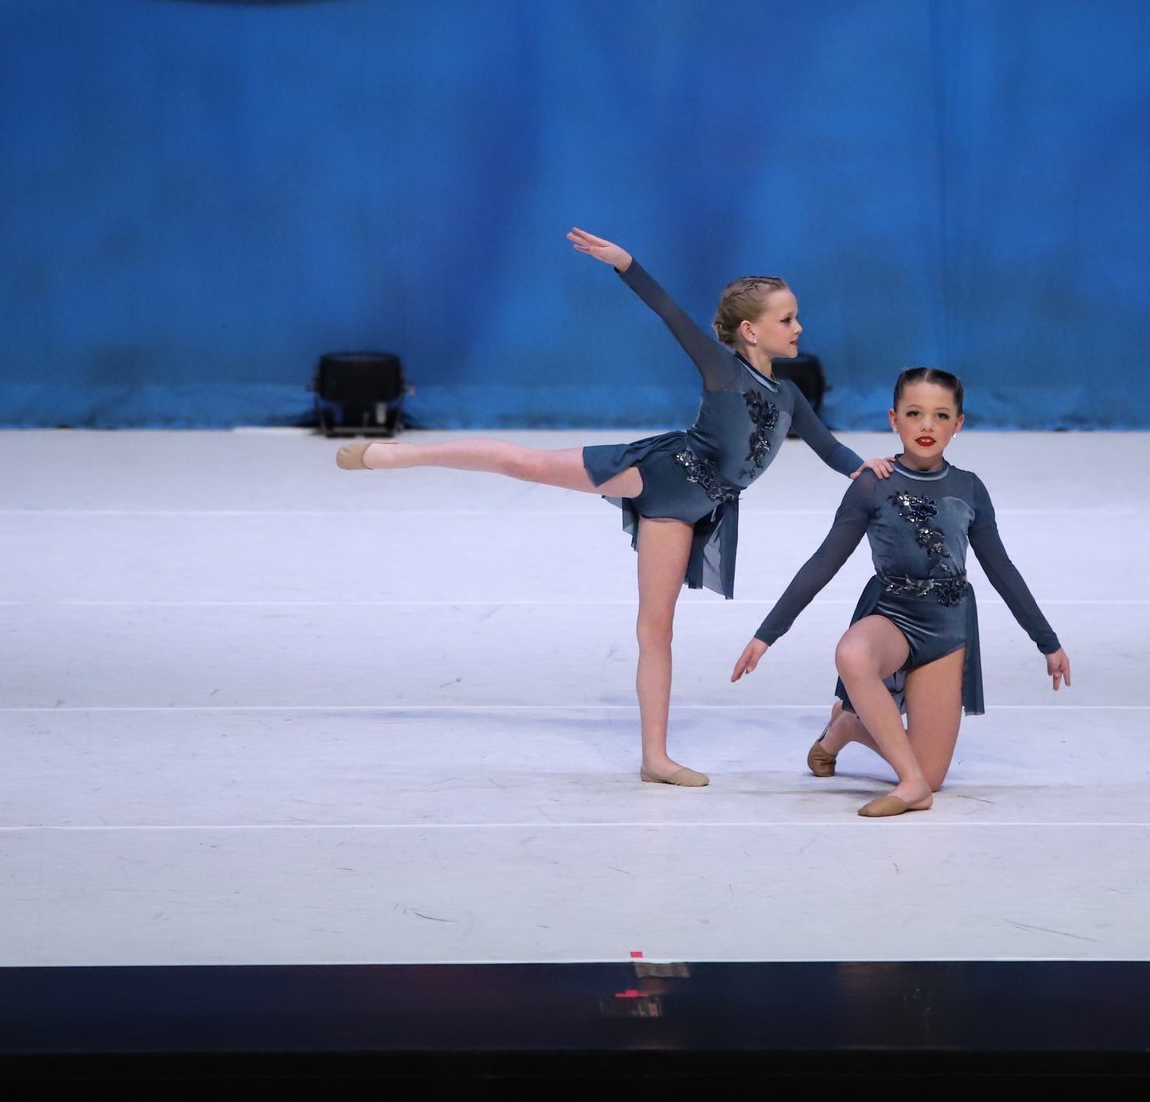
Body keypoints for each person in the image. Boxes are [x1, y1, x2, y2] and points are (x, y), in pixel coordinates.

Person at [339, 228, 880, 786]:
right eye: (787, 319)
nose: (799, 328)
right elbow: (670, 313)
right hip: (657, 475)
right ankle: (406, 455)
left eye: (796, 318)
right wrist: (627, 264)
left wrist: (865, 468)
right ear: (750, 330)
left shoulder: (788, 396)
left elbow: (829, 447)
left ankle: (655, 760)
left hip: (688, 512)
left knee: (656, 631)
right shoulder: (723, 370)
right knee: (525, 464)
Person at [731, 366, 1070, 817]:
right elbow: (823, 562)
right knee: (853, 654)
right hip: (890, 617)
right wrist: (766, 634)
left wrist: (1047, 642)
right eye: (914, 413)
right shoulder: (873, 483)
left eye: (940, 415)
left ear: (958, 424)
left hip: (946, 630)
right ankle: (911, 786)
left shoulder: (969, 488)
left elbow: (1001, 569)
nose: (926, 426)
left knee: (932, 774)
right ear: (894, 419)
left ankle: (849, 728)